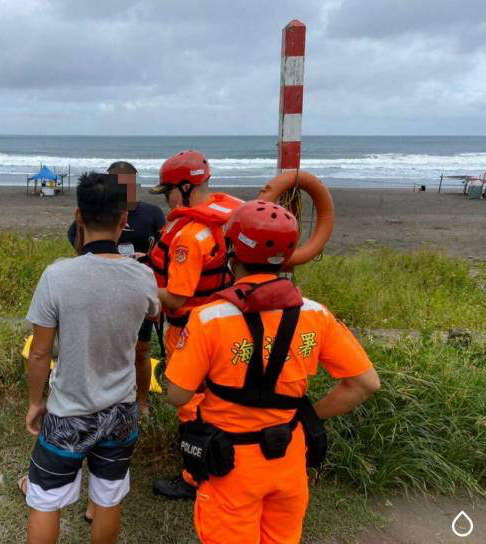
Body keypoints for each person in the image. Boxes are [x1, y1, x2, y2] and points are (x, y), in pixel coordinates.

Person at [165, 200, 381, 543]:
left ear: (233, 251)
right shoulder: (315, 314)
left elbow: (177, 393)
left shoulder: (209, 318)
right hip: (288, 457)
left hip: (229, 464)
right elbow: (365, 383)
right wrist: (308, 415)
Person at [22, 172, 160, 544]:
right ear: (123, 220)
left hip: (69, 410)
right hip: (121, 409)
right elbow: (151, 314)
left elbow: (39, 352)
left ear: (78, 217)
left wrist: (36, 402)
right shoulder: (142, 277)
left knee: (45, 500)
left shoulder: (58, 276)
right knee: (108, 497)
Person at [147, 150, 244, 499]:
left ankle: (193, 477)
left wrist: (140, 283)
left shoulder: (188, 236)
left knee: (190, 405)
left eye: (169, 191)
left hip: (188, 329)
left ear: (186, 187)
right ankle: (227, 461)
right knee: (218, 398)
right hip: (223, 322)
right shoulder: (227, 217)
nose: (169, 200)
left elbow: (175, 297)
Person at [66, 161, 165, 417]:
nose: (123, 190)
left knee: (141, 350)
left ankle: (141, 402)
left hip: (137, 288)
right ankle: (99, 400)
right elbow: (77, 241)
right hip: (102, 287)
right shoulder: (97, 214)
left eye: (127, 185)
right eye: (117, 185)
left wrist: (148, 259)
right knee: (103, 345)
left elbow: (165, 248)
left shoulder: (151, 213)